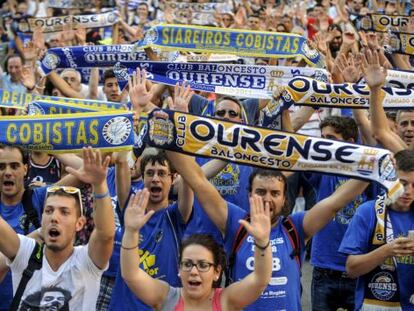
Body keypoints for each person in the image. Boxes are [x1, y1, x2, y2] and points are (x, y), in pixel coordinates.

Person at [167, 147, 371, 310]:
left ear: (284, 199)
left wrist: (372, 167)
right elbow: (198, 181)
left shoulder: (296, 227)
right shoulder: (236, 222)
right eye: (260, 192)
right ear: (249, 194)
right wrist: (169, 138)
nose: (267, 198)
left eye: (274, 193)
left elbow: (337, 201)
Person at [0, 147, 115, 310]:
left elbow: (106, 234)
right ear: (42, 220)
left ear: (79, 223)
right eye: (48, 211)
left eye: (64, 212)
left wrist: (100, 185)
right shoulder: (25, 252)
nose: (54, 217)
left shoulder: (86, 261)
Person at [120, 189, 272, 310]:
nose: (193, 271)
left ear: (217, 272)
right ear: (178, 269)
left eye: (203, 265)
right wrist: (131, 232)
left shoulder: (227, 301)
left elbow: (260, 279)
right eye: (187, 264)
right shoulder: (167, 298)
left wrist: (262, 241)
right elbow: (131, 274)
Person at [108, 151, 193, 311]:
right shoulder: (132, 208)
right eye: (150, 173)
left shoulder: (176, 216)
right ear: (143, 177)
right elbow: (121, 163)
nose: (155, 178)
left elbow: (190, 177)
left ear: (173, 178)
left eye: (161, 173)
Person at [340, 149, 414, 310]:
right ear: (390, 180)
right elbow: (351, 269)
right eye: (402, 183)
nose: (408, 191)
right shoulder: (368, 212)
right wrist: (387, 251)